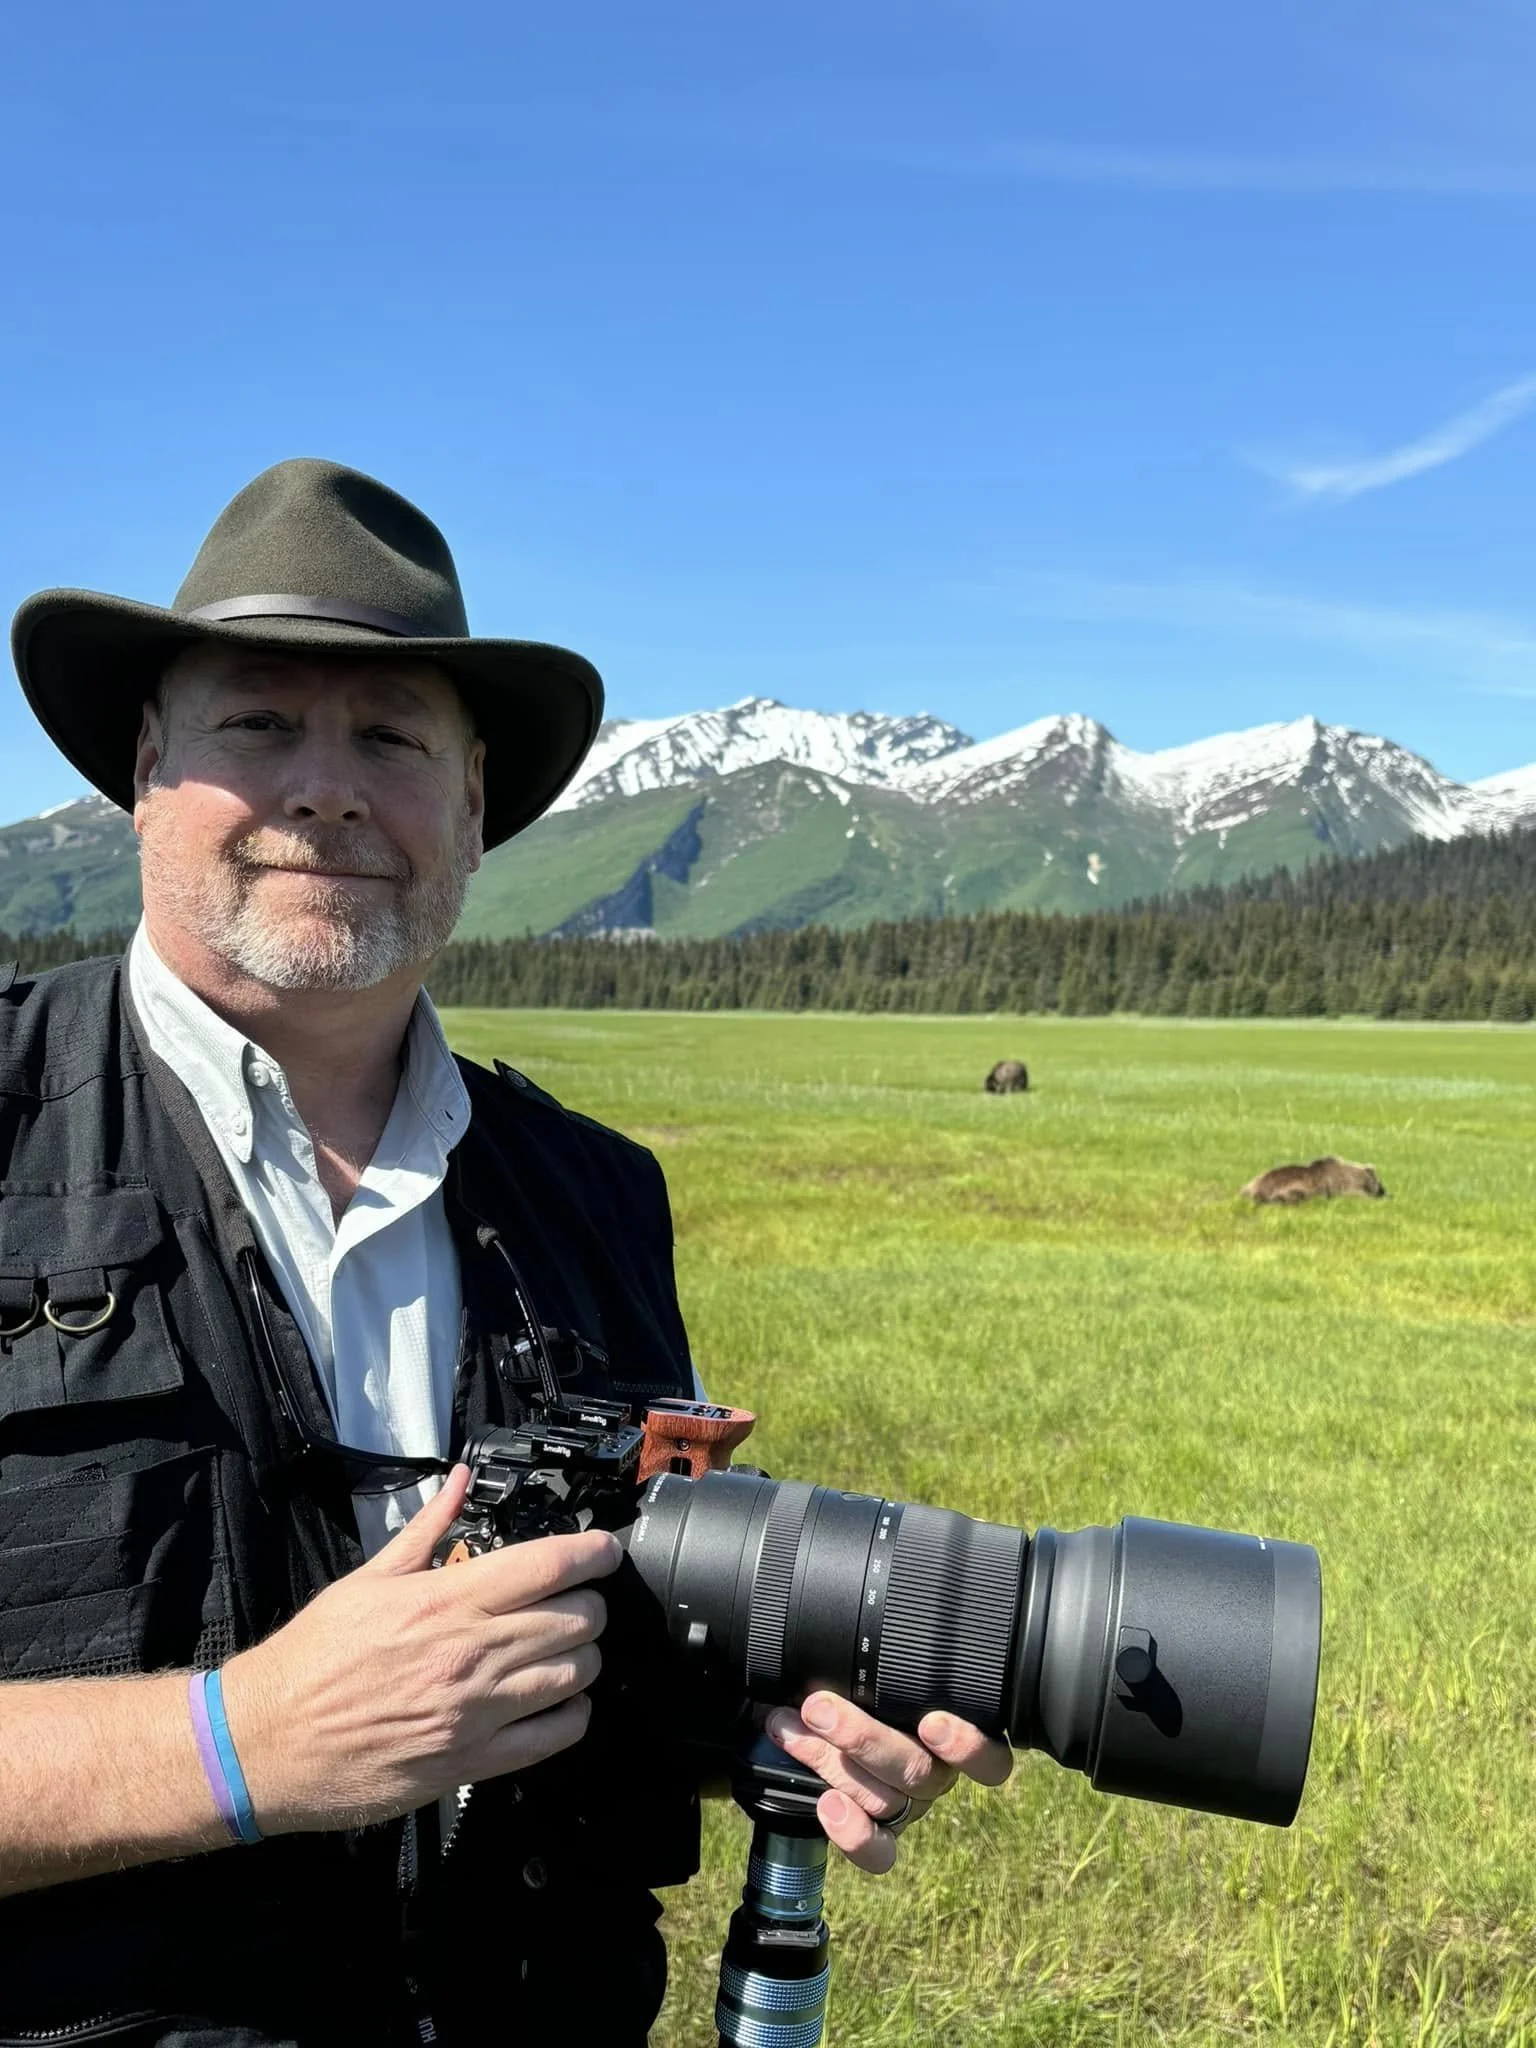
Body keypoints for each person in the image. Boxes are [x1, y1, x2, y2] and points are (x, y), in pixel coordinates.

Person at [0, 459, 1011, 2045]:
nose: (327, 788)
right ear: (145, 768)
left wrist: (772, 1711)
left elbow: (622, 1628)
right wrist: (235, 1742)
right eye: (259, 723)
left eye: (394, 739)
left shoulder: (599, 1196)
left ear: (474, 807)